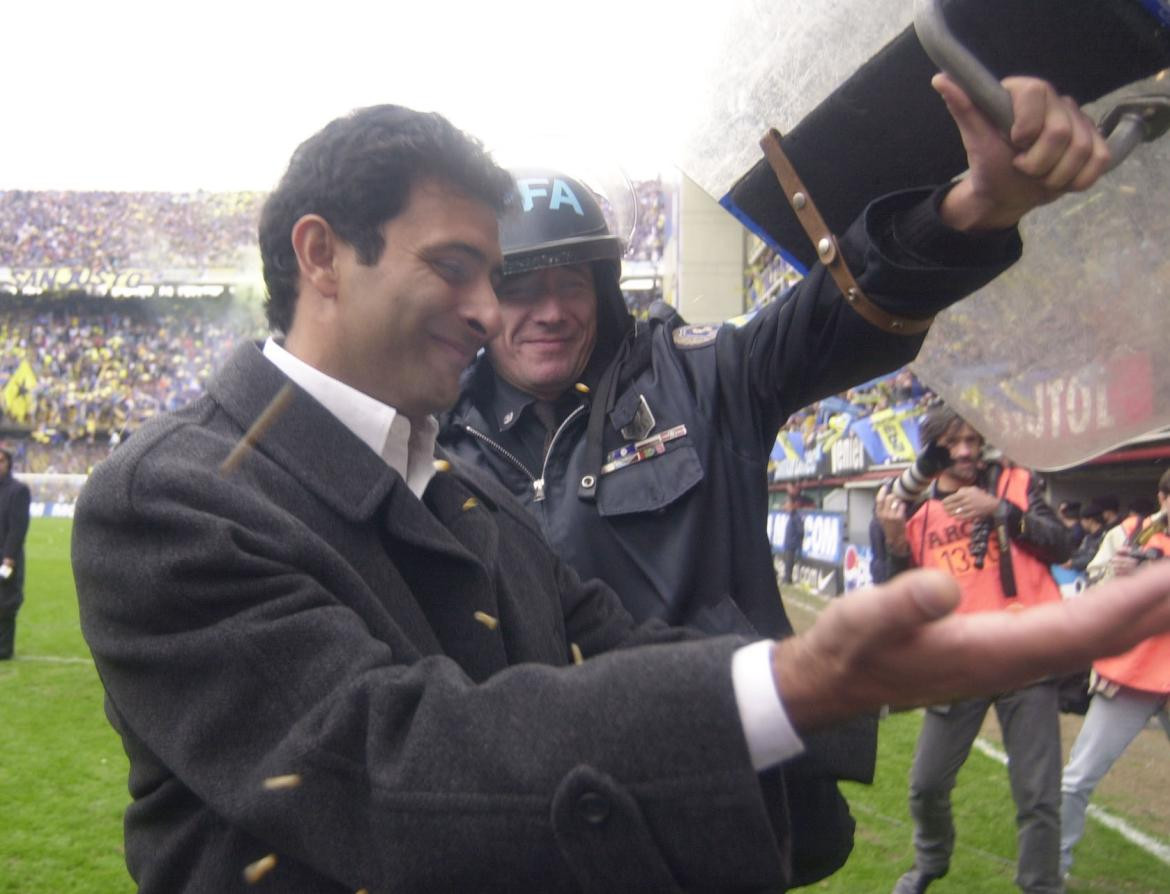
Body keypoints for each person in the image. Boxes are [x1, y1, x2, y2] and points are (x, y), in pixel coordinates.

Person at [70, 94, 1149, 893]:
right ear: (322, 255)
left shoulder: (459, 462)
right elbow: (387, 760)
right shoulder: (173, 500)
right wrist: (787, 688)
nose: (499, 310)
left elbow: (611, 633)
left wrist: (963, 214)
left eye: (543, 279)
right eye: (466, 270)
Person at [438, 72, 1112, 873]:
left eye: (570, 280)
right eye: (521, 284)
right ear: (481, 296)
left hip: (722, 811)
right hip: (547, 828)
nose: (549, 309)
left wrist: (976, 207)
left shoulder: (705, 374)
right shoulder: (435, 436)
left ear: (605, 288)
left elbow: (834, 315)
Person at [874, 404, 1074, 894]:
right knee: (926, 785)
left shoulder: (1014, 484)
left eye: (972, 440)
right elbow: (896, 595)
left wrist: (1001, 512)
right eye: (954, 442)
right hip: (957, 662)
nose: (966, 450)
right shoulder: (912, 510)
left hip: (1024, 656)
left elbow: (1062, 544)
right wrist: (896, 542)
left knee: (1038, 794)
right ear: (934, 449)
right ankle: (931, 861)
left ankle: (1042, 886)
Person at [1060, 470, 1170, 878]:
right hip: (1131, 675)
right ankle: (1054, 871)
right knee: (1076, 780)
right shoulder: (1128, 534)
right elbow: (1093, 590)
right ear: (1162, 497)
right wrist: (1122, 579)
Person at [0, 447, 30, 659]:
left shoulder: (18, 490)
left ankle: (4, 649)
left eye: (1, 461)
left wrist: (9, 559)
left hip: (6, 556)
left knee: (5, 602)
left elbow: (18, 528)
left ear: (8, 464)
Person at [783, 490, 805, 585]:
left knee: (790, 562)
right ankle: (787, 578)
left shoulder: (796, 517)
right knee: (787, 562)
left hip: (792, 544)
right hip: (788, 543)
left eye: (788, 504)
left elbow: (800, 531)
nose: (786, 506)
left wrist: (796, 541)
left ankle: (788, 579)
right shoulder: (791, 516)